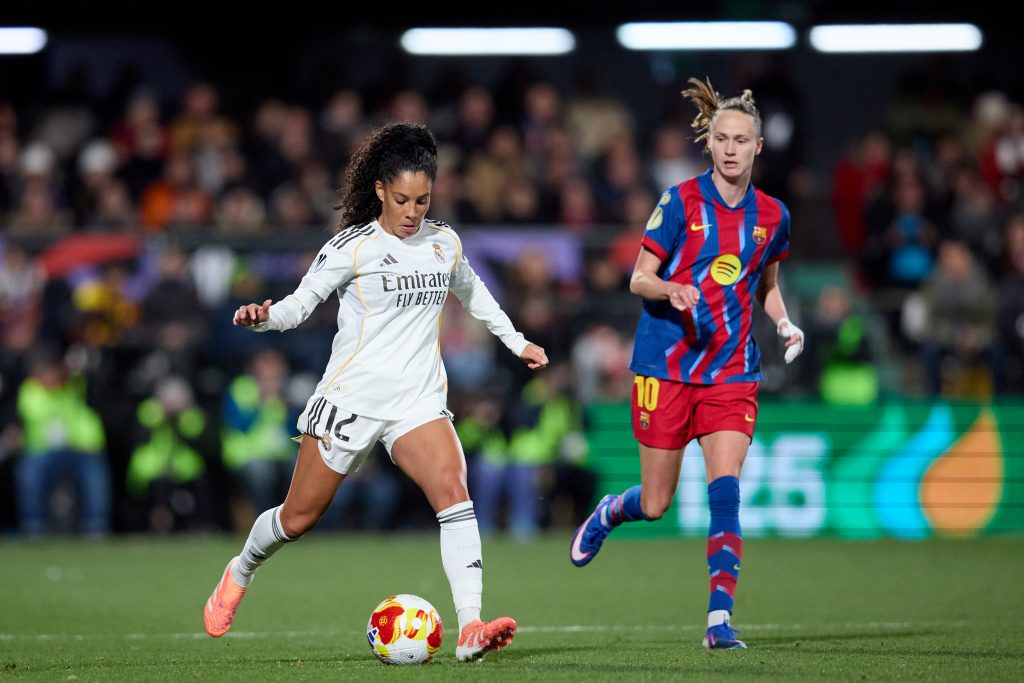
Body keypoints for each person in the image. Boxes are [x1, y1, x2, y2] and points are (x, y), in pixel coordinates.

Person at [201, 122, 548, 662]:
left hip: (418, 401)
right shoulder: (352, 247)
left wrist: (518, 341)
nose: (413, 212)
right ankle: (241, 568)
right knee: (297, 519)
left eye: (423, 201)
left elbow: (475, 295)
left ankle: (471, 627)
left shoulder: (443, 243)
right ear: (381, 190)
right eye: (403, 200)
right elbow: (298, 306)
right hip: (352, 400)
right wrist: (263, 318)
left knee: (454, 492)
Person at [569, 77, 805, 650]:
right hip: (666, 368)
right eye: (721, 139)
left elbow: (766, 285)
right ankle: (611, 511)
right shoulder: (679, 202)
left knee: (725, 492)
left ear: (757, 146)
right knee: (656, 504)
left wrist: (784, 322)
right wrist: (670, 288)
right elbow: (638, 277)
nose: (730, 148)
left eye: (740, 140)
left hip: (731, 372)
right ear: (710, 143)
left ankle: (718, 621)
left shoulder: (773, 216)